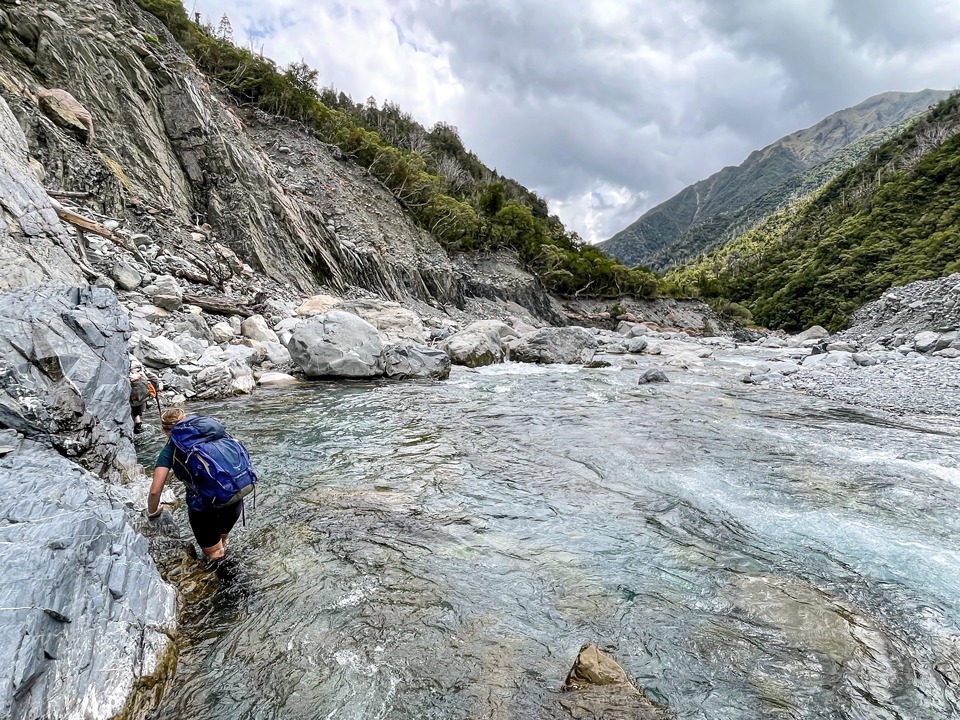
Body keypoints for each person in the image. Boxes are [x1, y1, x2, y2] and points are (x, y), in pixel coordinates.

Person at [146, 408, 243, 561]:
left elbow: (155, 491)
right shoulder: (214, 433)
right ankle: (225, 555)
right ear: (187, 420)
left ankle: (228, 582)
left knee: (214, 554)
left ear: (165, 430)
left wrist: (152, 512)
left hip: (203, 507)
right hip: (233, 496)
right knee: (223, 540)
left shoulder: (170, 450)